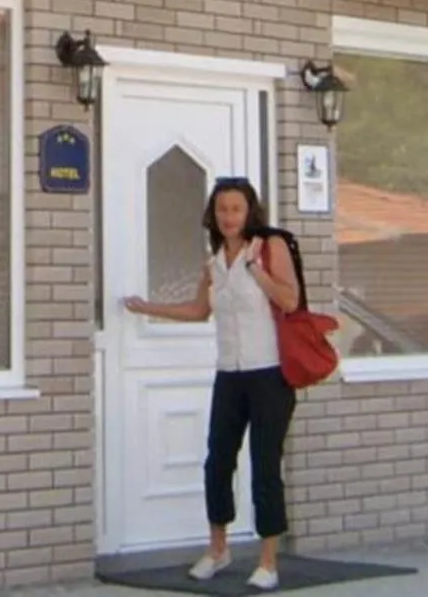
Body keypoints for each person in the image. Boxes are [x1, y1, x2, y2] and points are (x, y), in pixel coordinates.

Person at [123, 176, 299, 591]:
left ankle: (269, 561)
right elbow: (200, 310)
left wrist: (257, 271)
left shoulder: (269, 247)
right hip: (230, 374)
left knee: (265, 465)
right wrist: (147, 307)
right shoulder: (214, 260)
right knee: (217, 461)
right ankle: (218, 548)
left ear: (249, 211)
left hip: (270, 373)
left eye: (236, 209)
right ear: (213, 214)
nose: (228, 217)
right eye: (222, 209)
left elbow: (290, 301)